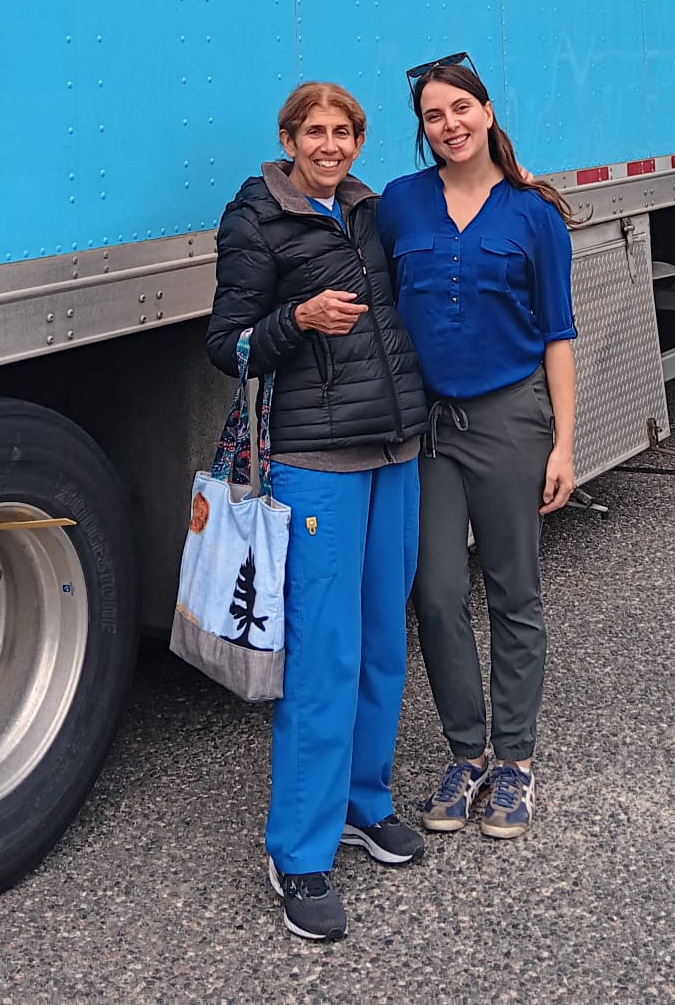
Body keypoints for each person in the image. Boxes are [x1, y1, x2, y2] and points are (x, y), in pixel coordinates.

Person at [206, 80, 428, 942]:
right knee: (324, 656)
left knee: (381, 639)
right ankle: (298, 852)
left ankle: (364, 801)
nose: (329, 146)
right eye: (315, 132)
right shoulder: (257, 217)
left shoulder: (370, 211)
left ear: (358, 142)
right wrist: (296, 317)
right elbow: (227, 346)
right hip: (314, 463)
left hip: (395, 450)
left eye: (343, 133)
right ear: (289, 137)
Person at [377, 52, 577, 841]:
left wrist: (565, 442)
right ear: (423, 131)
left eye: (461, 108)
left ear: (487, 114)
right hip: (430, 429)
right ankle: (467, 753)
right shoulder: (399, 204)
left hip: (509, 418)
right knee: (434, 594)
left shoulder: (534, 215)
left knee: (513, 591)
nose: (450, 125)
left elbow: (558, 335)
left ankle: (516, 762)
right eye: (434, 115)